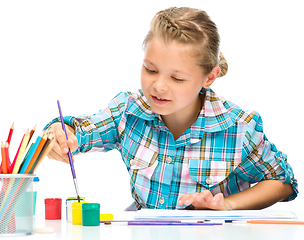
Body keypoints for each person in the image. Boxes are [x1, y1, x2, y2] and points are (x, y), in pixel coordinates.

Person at [46, 7, 298, 211]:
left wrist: (229, 204)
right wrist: (61, 132)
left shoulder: (238, 127)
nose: (158, 86)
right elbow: (81, 130)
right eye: (150, 69)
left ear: (209, 78)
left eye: (177, 79)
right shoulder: (127, 111)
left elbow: (283, 182)